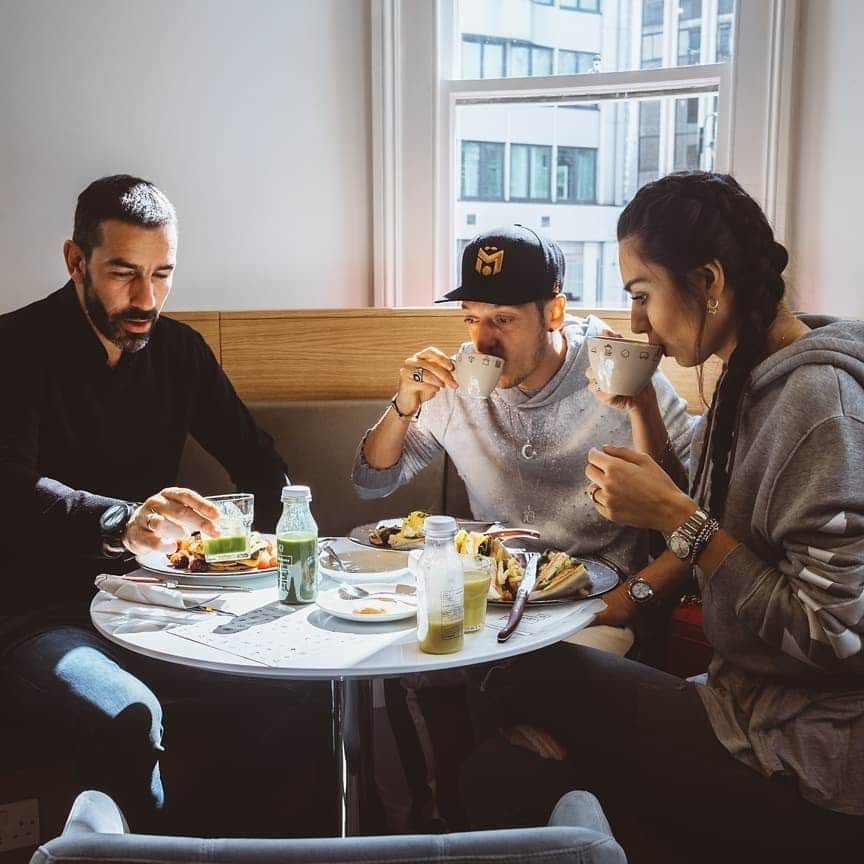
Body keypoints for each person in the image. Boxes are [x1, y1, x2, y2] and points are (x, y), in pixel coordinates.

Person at [459, 173, 864, 862]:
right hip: (744, 704)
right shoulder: (748, 381)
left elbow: (834, 634)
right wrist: (640, 407)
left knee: (528, 687)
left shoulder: (818, 403)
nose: (639, 322)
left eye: (643, 295)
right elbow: (709, 514)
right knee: (511, 737)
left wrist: (679, 520)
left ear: (708, 281)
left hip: (808, 751)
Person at [352, 224, 693, 828]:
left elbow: (690, 511)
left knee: (520, 717)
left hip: (593, 604)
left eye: (503, 320)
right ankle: (425, 828)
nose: (483, 341)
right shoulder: (457, 384)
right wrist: (404, 403)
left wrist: (628, 601)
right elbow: (373, 480)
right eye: (471, 319)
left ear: (555, 310)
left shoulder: (615, 370)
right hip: (493, 592)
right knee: (392, 671)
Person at [0, 175, 294, 832]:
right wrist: (120, 520)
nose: (147, 298)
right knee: (130, 716)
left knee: (288, 696)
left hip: (158, 606)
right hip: (35, 618)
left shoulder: (182, 352)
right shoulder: (12, 349)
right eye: (123, 273)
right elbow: (10, 491)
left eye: (163, 274)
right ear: (76, 262)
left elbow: (259, 462)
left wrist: (282, 557)